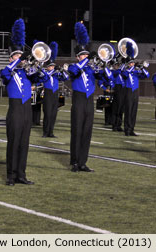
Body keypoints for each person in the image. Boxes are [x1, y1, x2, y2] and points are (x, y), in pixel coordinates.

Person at [0, 18, 41, 186]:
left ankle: (21, 175)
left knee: (24, 143)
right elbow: (4, 74)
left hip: (26, 109)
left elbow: (40, 76)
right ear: (11, 58)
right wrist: (18, 60)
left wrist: (35, 63)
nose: (20, 58)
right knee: (14, 143)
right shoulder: (7, 71)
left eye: (20, 55)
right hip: (15, 109)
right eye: (16, 56)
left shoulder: (27, 72)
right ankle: (10, 176)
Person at [68, 22, 113, 172]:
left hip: (89, 100)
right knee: (77, 130)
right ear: (78, 57)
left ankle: (83, 162)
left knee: (87, 131)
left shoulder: (92, 70)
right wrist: (87, 61)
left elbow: (106, 80)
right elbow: (73, 72)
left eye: (87, 55)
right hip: (79, 99)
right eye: (84, 55)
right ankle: (74, 161)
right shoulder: (74, 67)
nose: (87, 57)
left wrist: (105, 65)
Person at [40, 41, 69, 137]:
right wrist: (51, 72)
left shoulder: (56, 74)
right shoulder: (45, 73)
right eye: (50, 66)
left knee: (53, 114)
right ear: (47, 67)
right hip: (48, 94)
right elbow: (44, 78)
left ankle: (51, 132)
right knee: (47, 114)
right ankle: (45, 132)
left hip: (55, 94)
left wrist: (61, 70)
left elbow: (66, 77)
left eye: (53, 66)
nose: (52, 68)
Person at [121, 42, 149, 136]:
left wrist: (142, 68)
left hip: (135, 92)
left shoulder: (136, 72)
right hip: (128, 91)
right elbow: (124, 74)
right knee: (128, 111)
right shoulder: (125, 71)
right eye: (131, 63)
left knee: (134, 111)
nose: (132, 64)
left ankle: (131, 129)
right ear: (128, 64)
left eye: (133, 62)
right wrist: (131, 68)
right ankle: (127, 130)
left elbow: (146, 75)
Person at [111, 61, 126, 131]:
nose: (117, 66)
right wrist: (123, 64)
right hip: (117, 89)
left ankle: (119, 125)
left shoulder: (121, 71)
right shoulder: (113, 72)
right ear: (114, 66)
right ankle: (114, 125)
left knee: (121, 108)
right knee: (116, 108)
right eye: (116, 65)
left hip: (123, 89)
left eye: (118, 65)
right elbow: (118, 72)